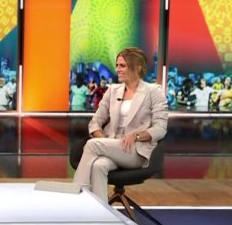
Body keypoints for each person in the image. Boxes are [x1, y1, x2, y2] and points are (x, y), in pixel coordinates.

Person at [72, 47, 168, 203]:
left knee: (92, 145)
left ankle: (75, 197)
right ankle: (101, 216)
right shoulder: (113, 90)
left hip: (135, 150)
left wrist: (136, 135)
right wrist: (103, 141)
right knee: (99, 166)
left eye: (122, 65)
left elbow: (160, 129)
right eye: (117, 65)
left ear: (137, 67)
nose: (118, 69)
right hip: (112, 145)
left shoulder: (153, 92)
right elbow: (95, 122)